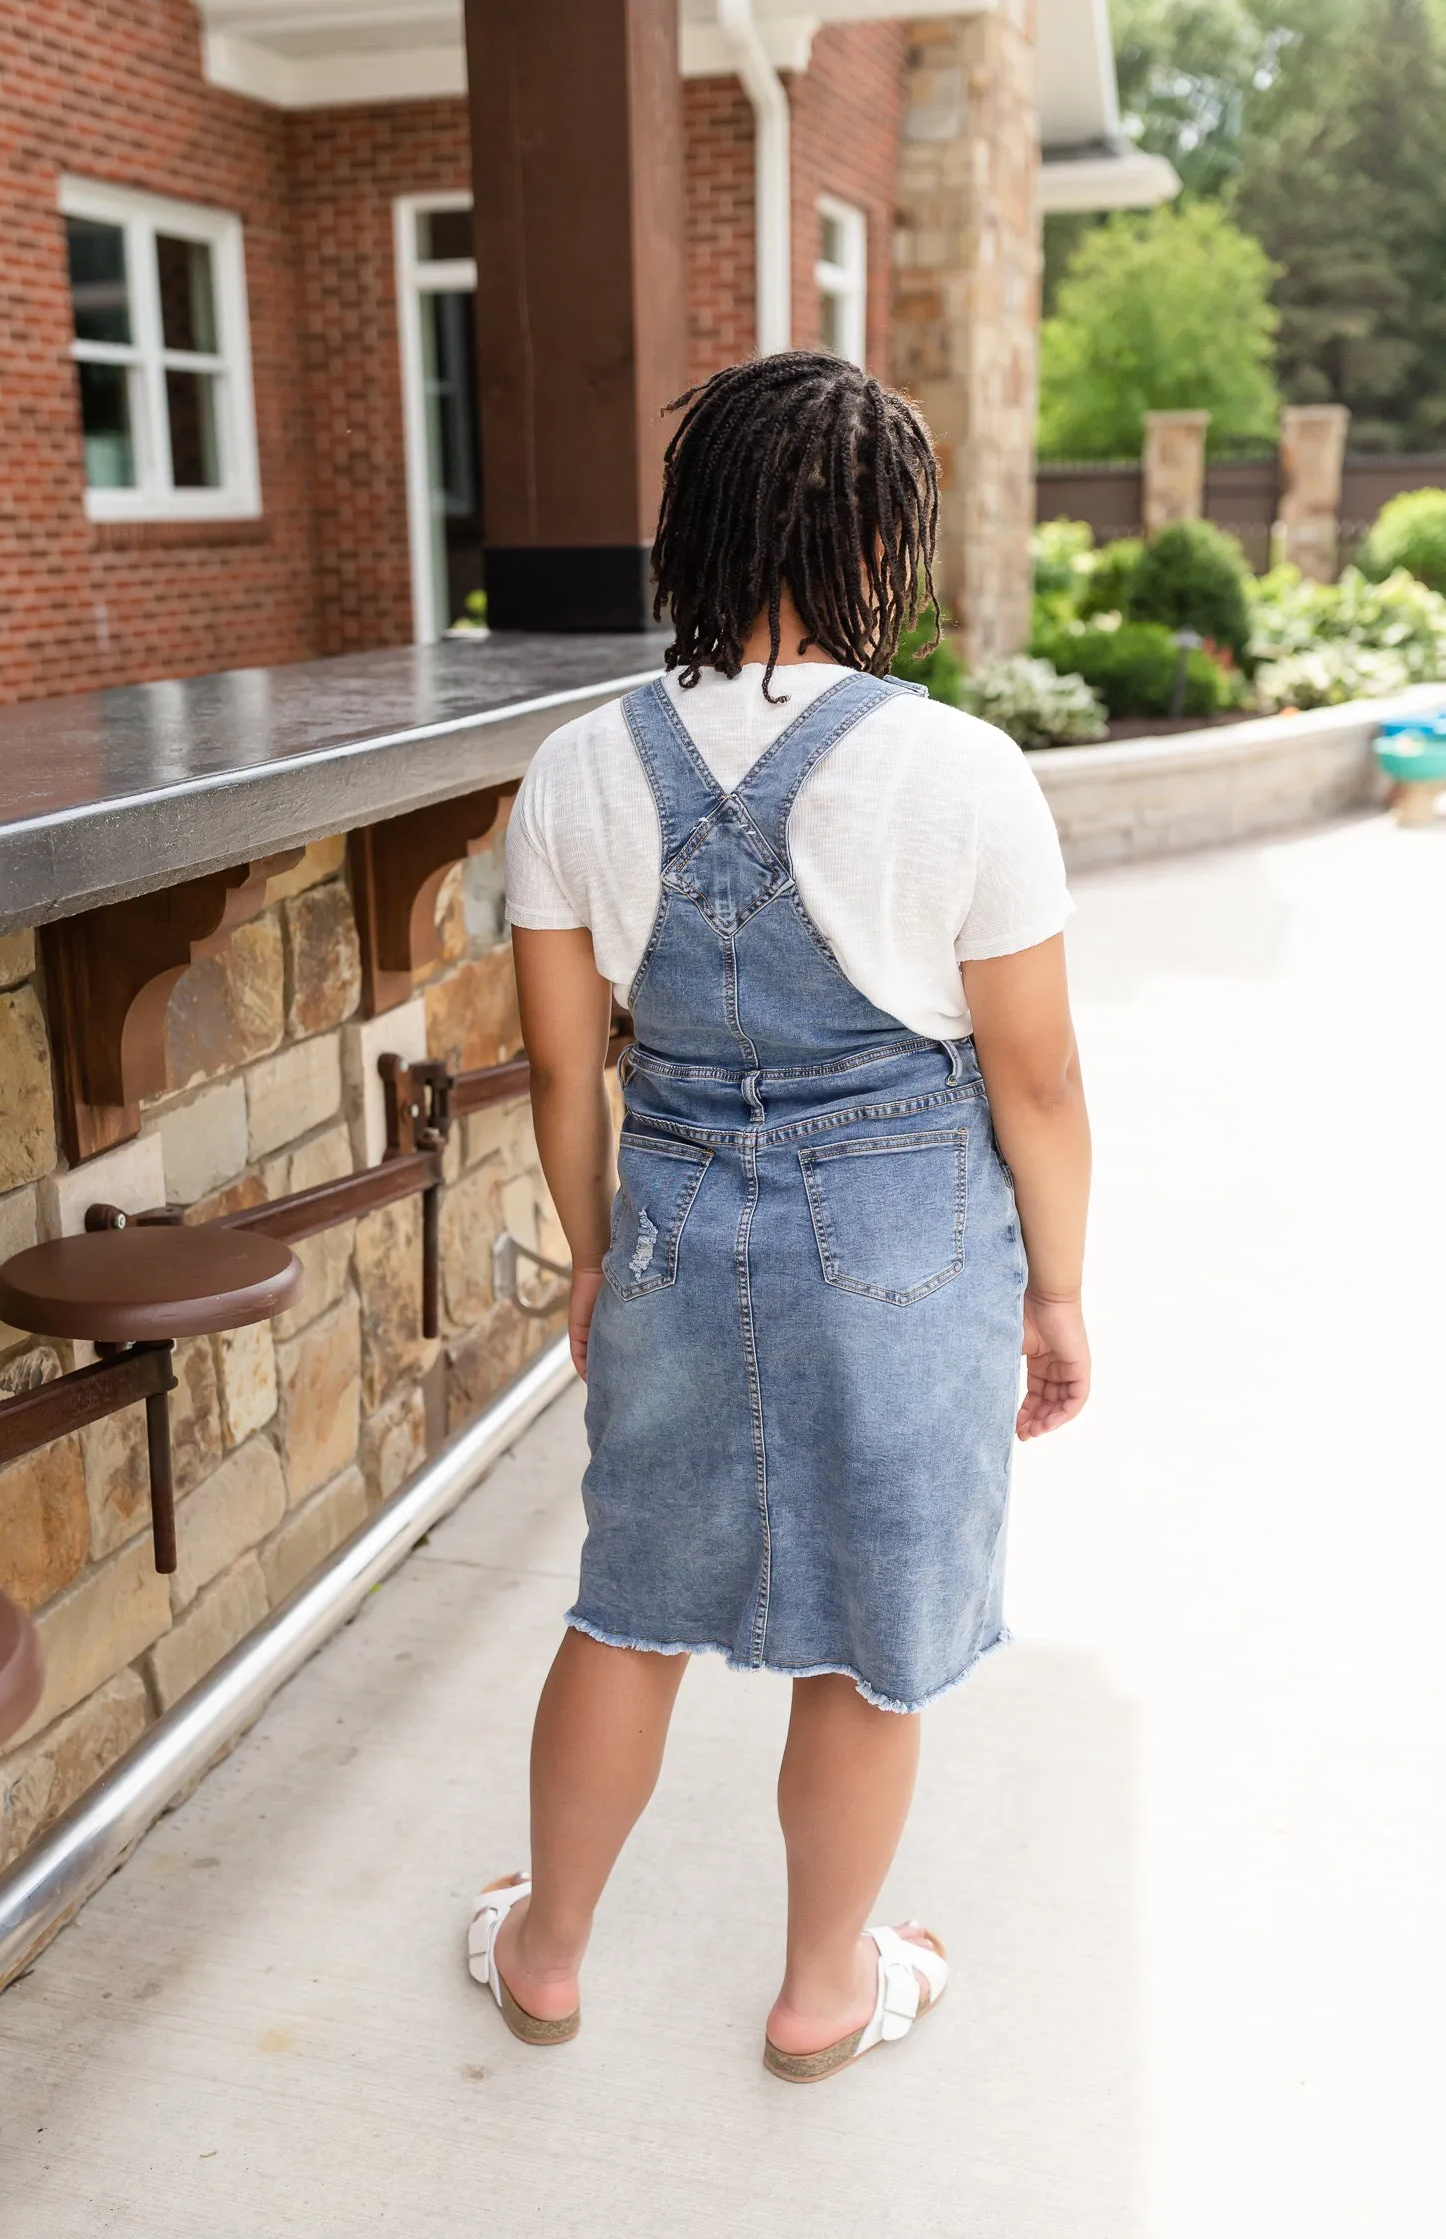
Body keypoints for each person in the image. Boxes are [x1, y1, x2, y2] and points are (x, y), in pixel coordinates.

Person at [467, 352, 1092, 2082]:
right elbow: (1032, 1084)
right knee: (873, 1627)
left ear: (696, 528)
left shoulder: (578, 766)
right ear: (884, 535)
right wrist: (1056, 1290)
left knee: (630, 1602)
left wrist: (595, 1255)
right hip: (904, 1247)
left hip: (671, 1216)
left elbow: (560, 1068)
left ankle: (546, 1953)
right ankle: (825, 1988)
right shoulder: (962, 771)